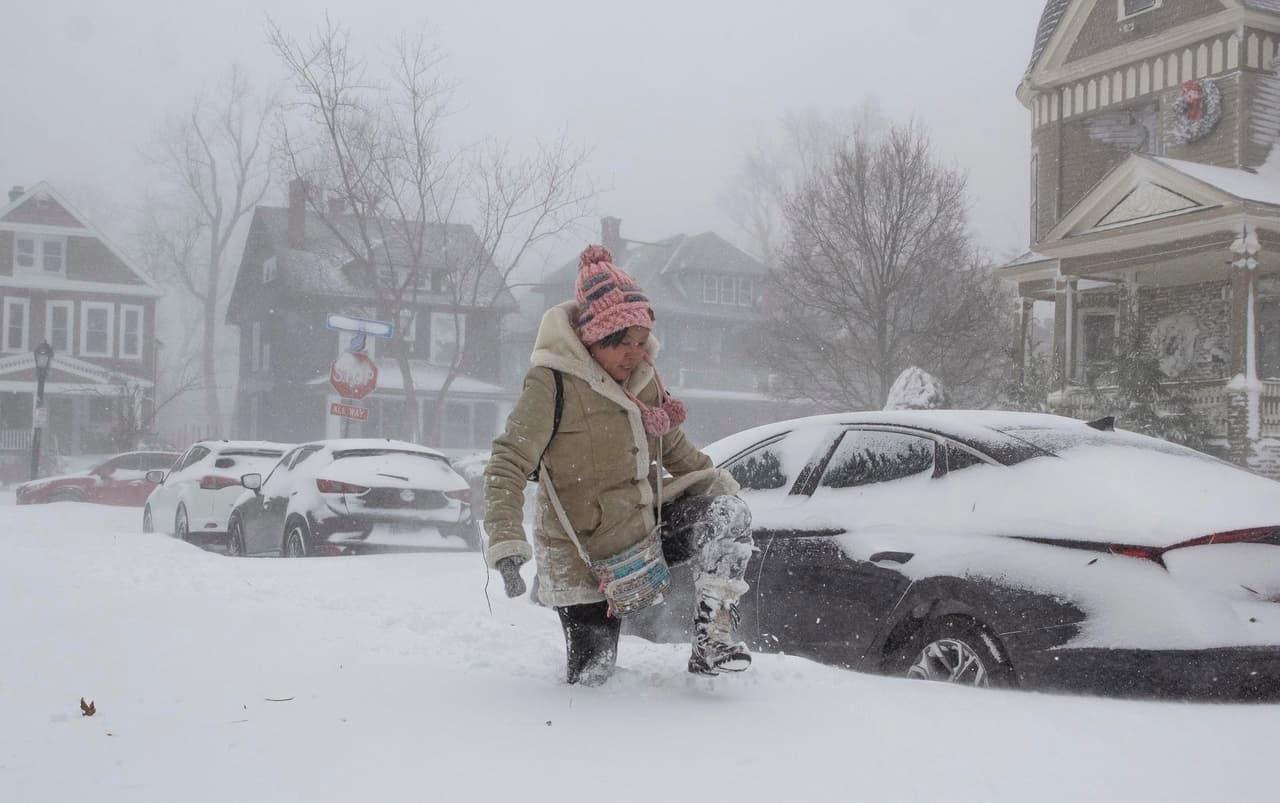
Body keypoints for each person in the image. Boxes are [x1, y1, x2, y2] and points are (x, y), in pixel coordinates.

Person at [483, 244, 755, 686]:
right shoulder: (552, 382)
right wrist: (507, 543)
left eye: (640, 342)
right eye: (621, 343)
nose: (633, 354)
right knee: (594, 680)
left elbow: (680, 454)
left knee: (727, 512)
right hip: (583, 555)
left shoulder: (644, 383)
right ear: (593, 338)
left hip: (644, 533)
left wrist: (730, 492)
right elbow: (507, 463)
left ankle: (714, 641)